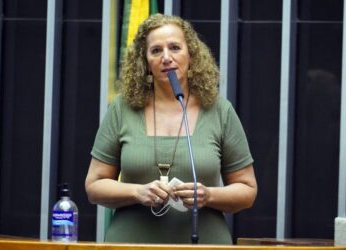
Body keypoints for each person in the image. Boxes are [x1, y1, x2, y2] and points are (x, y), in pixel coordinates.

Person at [85, 14, 257, 244]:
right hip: (131, 244)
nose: (166, 57)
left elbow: (247, 190)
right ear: (144, 62)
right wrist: (137, 192)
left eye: (175, 47)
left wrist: (208, 195)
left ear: (191, 56)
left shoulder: (219, 110)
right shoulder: (122, 108)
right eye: (156, 50)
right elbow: (94, 186)